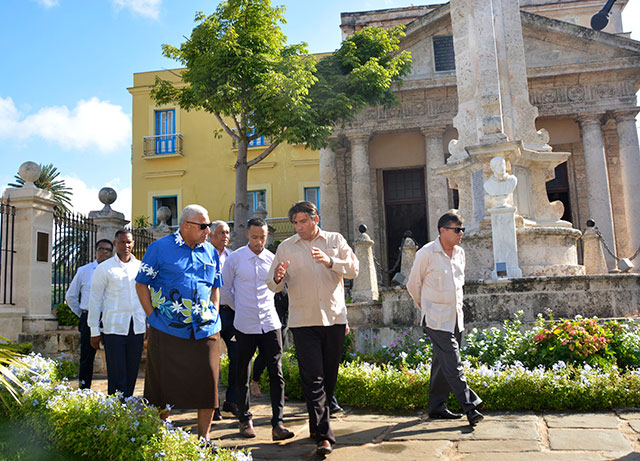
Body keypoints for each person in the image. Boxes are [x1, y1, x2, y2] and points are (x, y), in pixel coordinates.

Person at [267, 201, 359, 455]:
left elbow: (353, 269)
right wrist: (277, 277)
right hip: (303, 321)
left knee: (329, 378)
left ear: (315, 219)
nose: (298, 227)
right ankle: (324, 436)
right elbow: (272, 283)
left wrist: (330, 261)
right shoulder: (286, 247)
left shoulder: (335, 240)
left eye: (302, 221)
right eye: (295, 223)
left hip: (334, 319)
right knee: (313, 378)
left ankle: (316, 425)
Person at [135, 204, 222, 445]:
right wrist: (152, 317)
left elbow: (216, 284)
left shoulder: (211, 252)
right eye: (204, 226)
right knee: (163, 388)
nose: (208, 230)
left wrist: (213, 309)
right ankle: (161, 436)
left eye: (209, 225)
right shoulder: (159, 249)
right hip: (168, 330)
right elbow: (141, 283)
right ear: (186, 226)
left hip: (205, 329)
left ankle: (204, 439)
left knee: (208, 385)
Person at [406, 211, 484, 427]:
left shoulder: (460, 253)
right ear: (443, 231)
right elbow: (413, 284)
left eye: (462, 230)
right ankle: (470, 406)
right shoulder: (426, 253)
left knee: (442, 363)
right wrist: (424, 305)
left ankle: (437, 407)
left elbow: (459, 284)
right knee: (453, 363)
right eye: (457, 230)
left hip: (455, 317)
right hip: (436, 318)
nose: (461, 234)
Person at [222, 217, 294, 441]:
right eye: (254, 237)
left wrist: (278, 279)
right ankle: (245, 420)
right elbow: (225, 292)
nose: (259, 241)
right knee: (242, 373)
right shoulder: (234, 259)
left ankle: (277, 423)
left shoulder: (272, 259)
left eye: (262, 237)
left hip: (270, 323)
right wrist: (242, 308)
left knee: (276, 373)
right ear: (247, 235)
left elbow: (277, 288)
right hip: (244, 323)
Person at [87, 230, 145, 398]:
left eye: (129, 242)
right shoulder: (104, 268)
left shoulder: (140, 267)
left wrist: (147, 323)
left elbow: (146, 296)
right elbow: (95, 301)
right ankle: (116, 409)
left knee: (132, 369)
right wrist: (94, 331)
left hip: (136, 326)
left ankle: (127, 405)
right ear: (115, 244)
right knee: (116, 371)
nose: (126, 246)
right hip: (113, 328)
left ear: (133, 243)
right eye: (122, 242)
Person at [65, 238, 114, 389]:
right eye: (101, 249)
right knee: (87, 357)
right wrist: (83, 314)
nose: (104, 252)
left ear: (112, 253)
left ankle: (115, 394)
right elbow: (70, 296)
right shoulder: (84, 271)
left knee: (113, 357)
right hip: (89, 317)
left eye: (108, 250)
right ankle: (84, 391)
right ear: (95, 251)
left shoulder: (115, 272)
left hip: (109, 318)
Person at [209, 220, 239, 420]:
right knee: (212, 362)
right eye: (221, 232)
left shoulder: (232, 257)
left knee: (238, 357)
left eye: (227, 232)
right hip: (211, 314)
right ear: (211, 235)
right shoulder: (203, 255)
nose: (225, 236)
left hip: (231, 313)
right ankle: (213, 405)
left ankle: (232, 400)